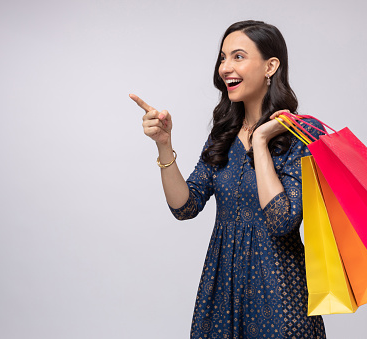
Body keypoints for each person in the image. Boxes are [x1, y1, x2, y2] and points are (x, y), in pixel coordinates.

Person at [130, 20, 326, 339]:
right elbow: (185, 206)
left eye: (238, 56)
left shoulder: (301, 137)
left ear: (270, 66)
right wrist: (164, 144)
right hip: (221, 289)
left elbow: (281, 221)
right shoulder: (223, 136)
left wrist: (261, 143)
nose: (225, 67)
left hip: (278, 293)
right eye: (223, 57)